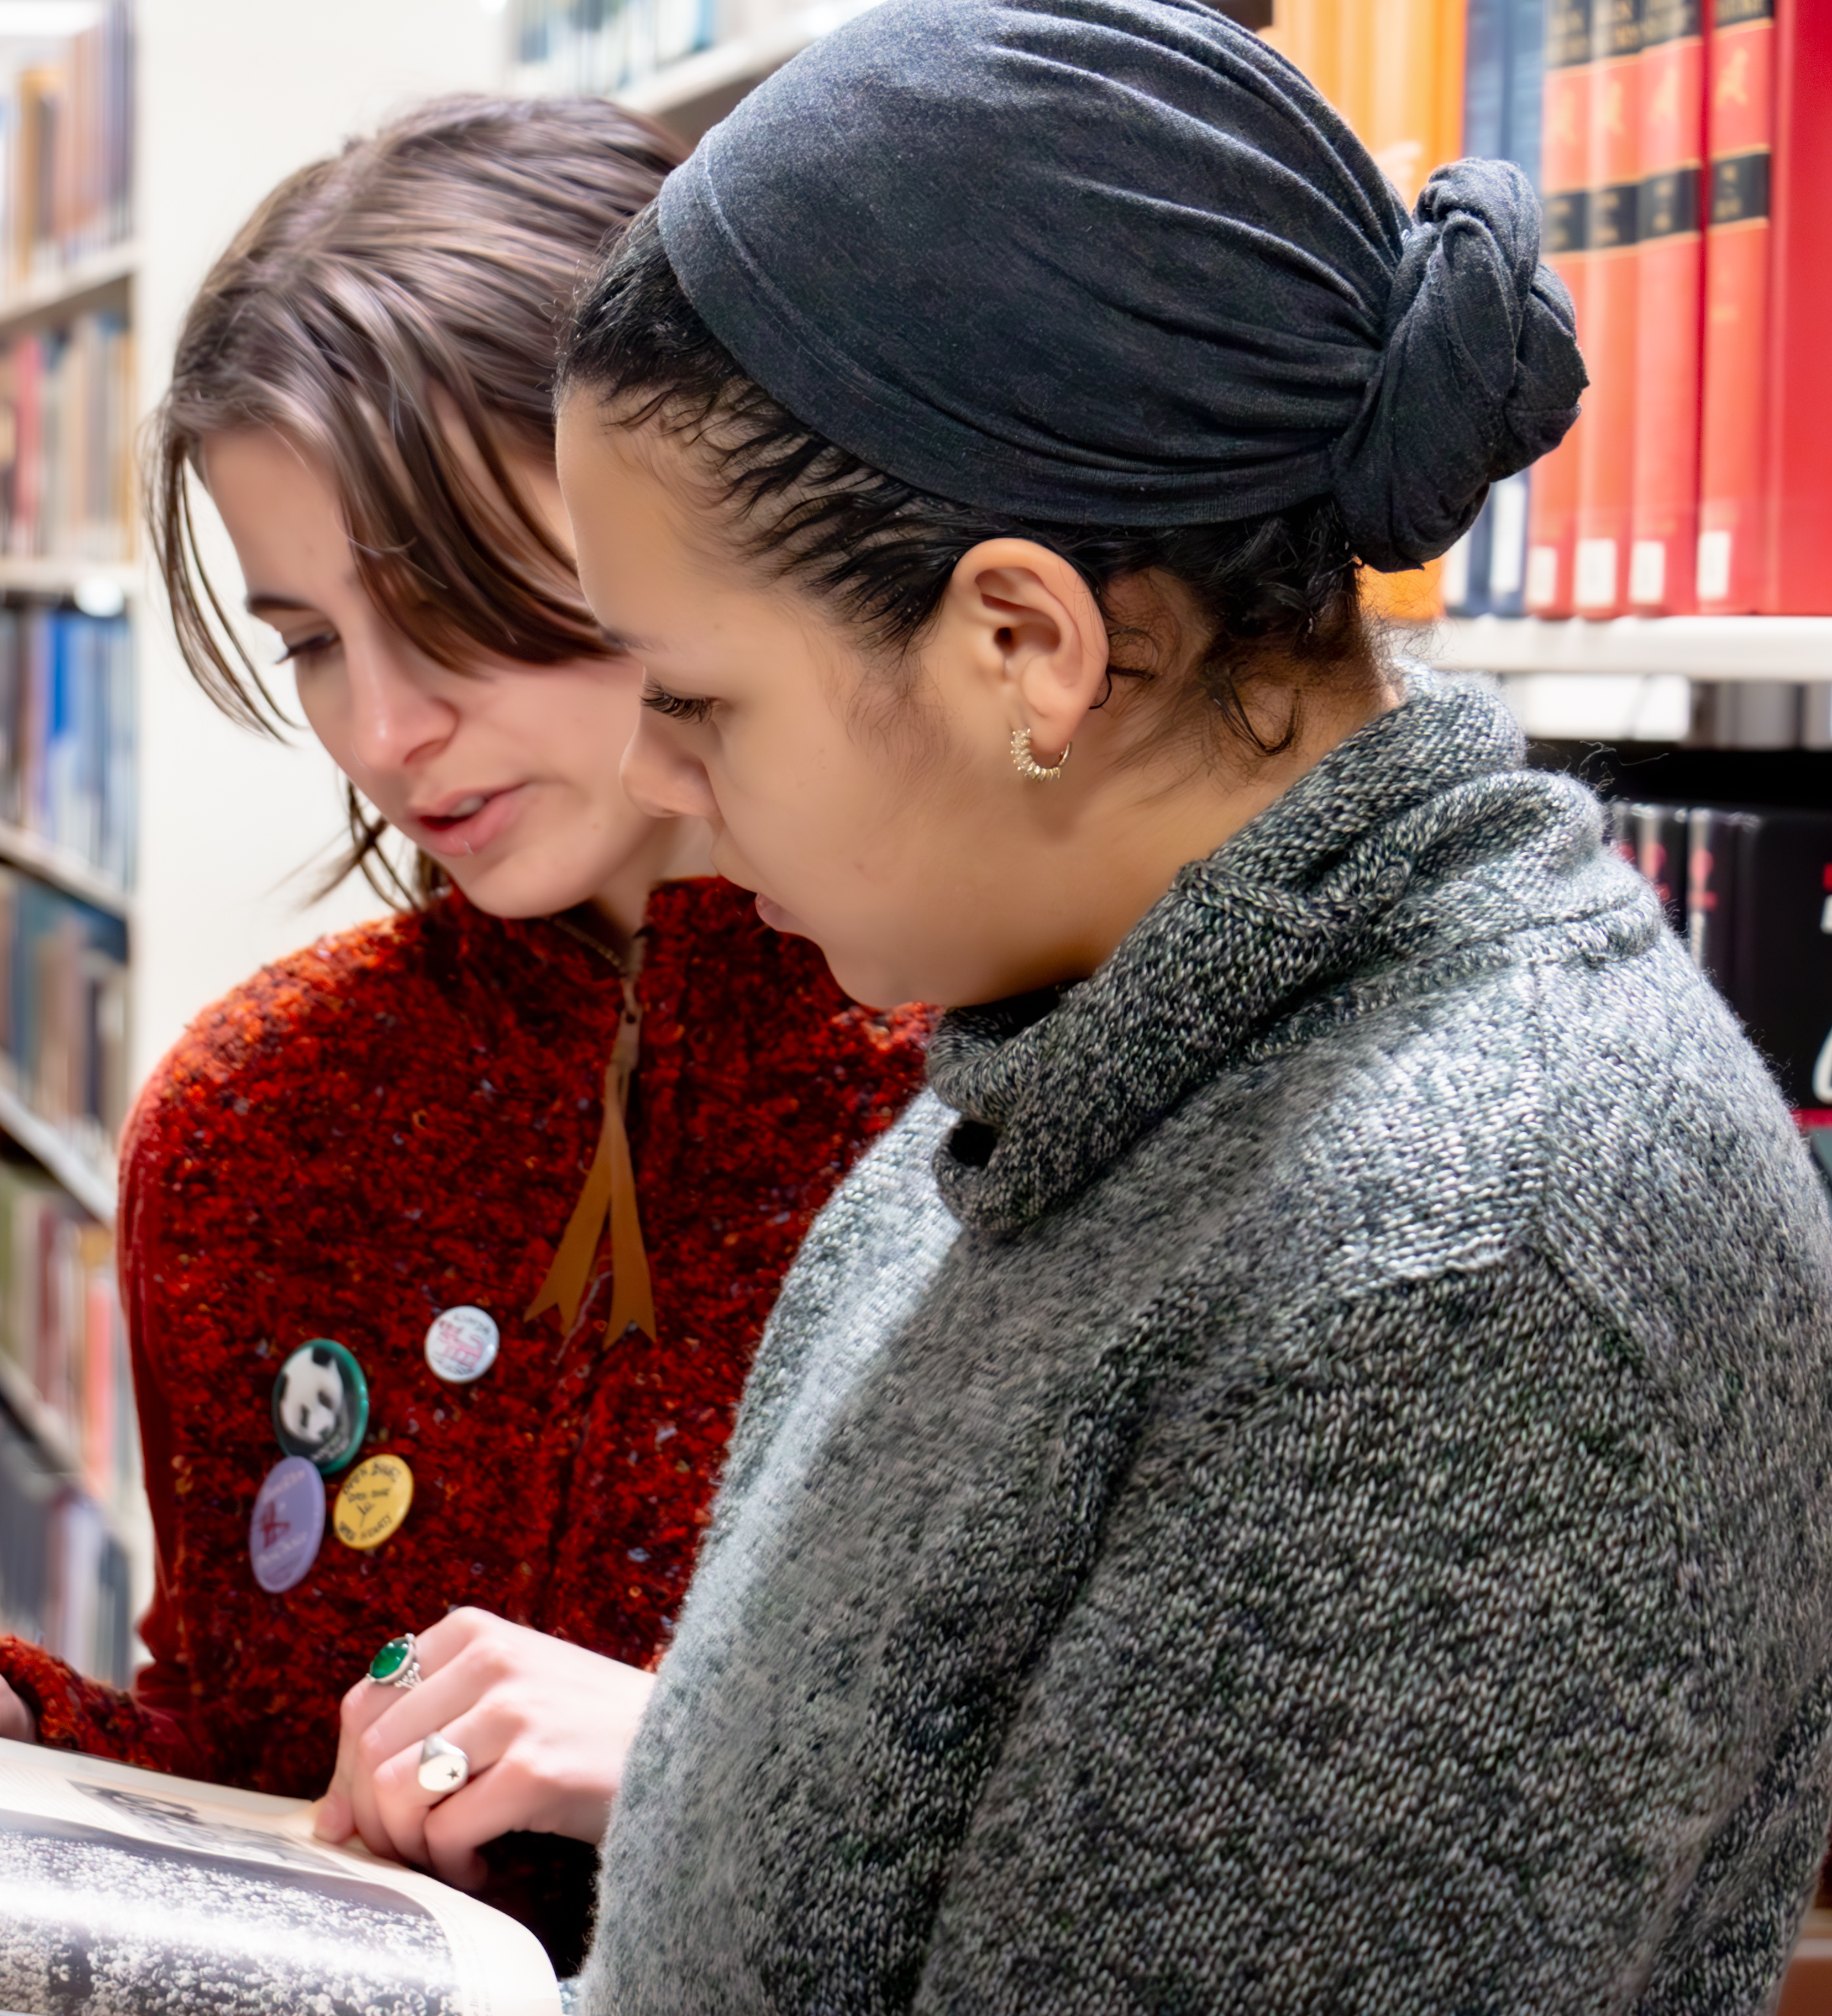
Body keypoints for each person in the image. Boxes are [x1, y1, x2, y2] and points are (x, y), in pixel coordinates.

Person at [546, 0, 1832, 2004]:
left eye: (699, 699)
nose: (649, 778)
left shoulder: (1462, 1297)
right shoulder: (1095, 1051)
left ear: (1026, 646)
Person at [0, 96, 931, 1967]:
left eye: (456, 608)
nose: (383, 734)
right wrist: (31, 1735)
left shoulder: (1010, 1094)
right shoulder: (260, 1114)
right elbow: (258, 1758)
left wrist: (702, 1757)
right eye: (309, 640)